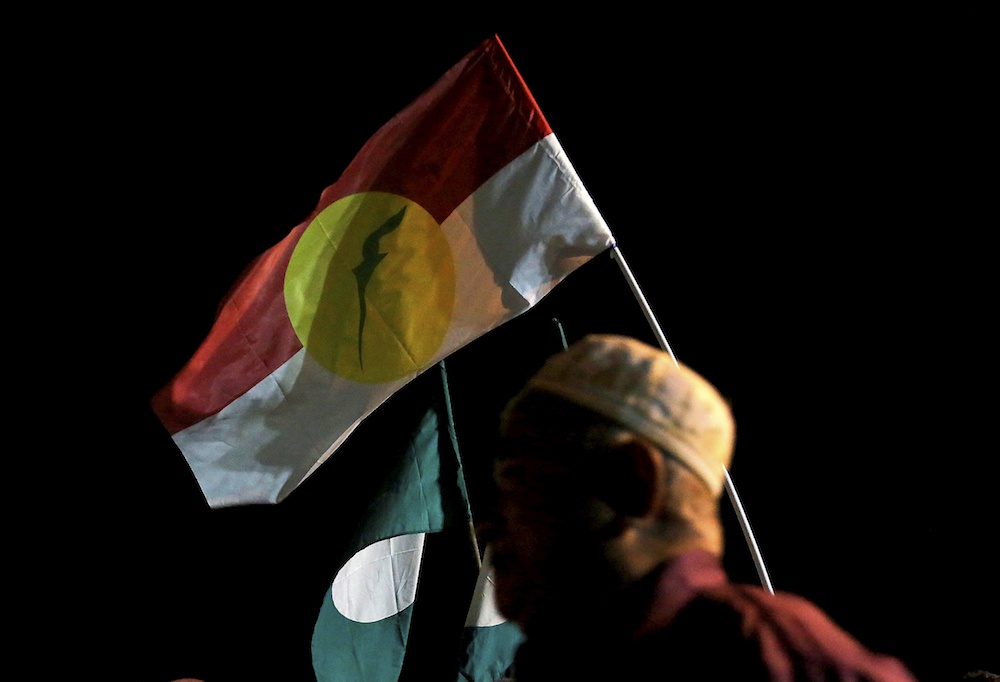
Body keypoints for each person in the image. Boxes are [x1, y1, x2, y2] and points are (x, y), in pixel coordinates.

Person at [482, 333, 916, 681]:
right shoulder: (568, 659)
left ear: (631, 483)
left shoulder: (770, 659)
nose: (485, 523)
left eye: (517, 479)